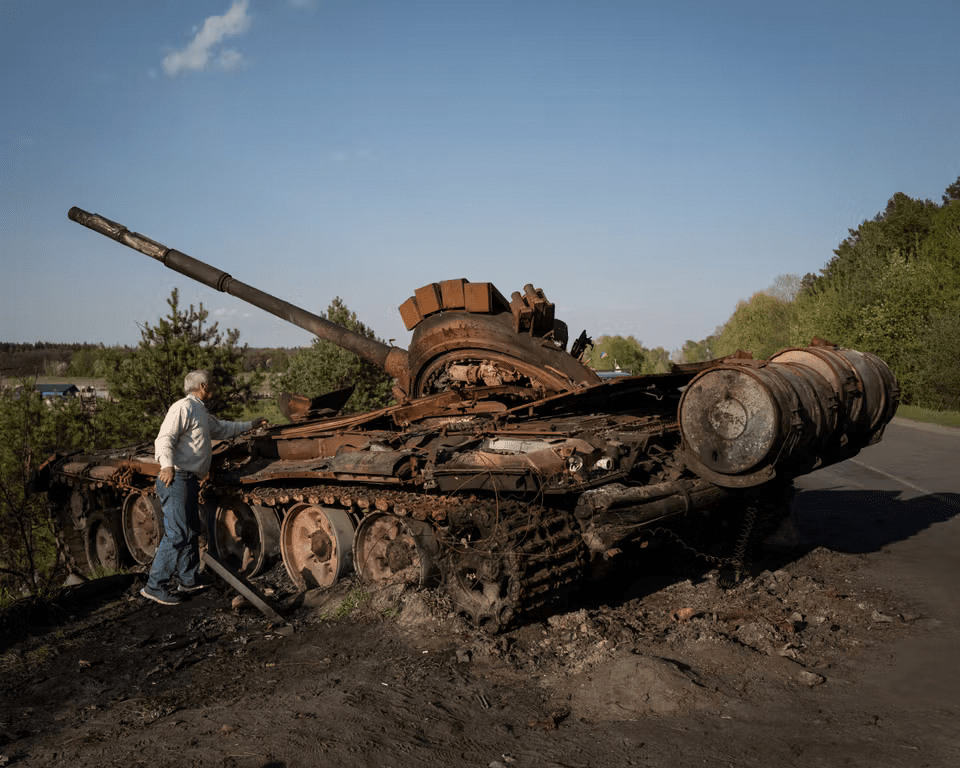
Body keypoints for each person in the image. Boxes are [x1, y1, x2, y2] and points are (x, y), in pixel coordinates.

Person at [140, 370, 268, 606]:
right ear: (203, 386)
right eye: (212, 385)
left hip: (188, 479)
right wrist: (166, 465)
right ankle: (155, 586)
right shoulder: (182, 407)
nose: (214, 388)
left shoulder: (199, 410)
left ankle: (189, 579)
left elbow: (222, 429)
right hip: (176, 477)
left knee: (190, 531)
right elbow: (165, 438)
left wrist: (251, 424)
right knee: (177, 533)